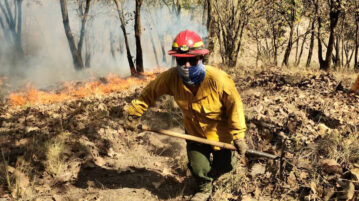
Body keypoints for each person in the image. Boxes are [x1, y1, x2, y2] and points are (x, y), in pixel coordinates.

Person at [125, 30, 247, 201]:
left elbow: (235, 107)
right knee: (198, 167)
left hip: (221, 134)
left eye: (191, 60)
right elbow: (149, 93)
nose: (187, 65)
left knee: (226, 166)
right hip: (194, 133)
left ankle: (215, 173)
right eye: (182, 61)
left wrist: (238, 136)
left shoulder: (219, 80)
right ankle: (204, 187)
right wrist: (134, 114)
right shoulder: (170, 78)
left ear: (201, 58)